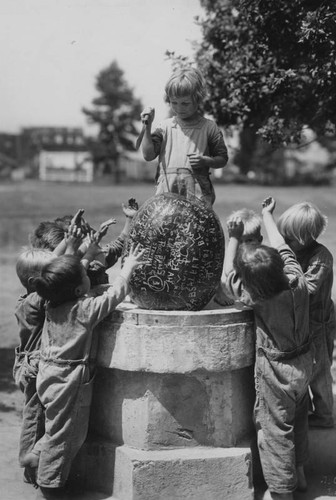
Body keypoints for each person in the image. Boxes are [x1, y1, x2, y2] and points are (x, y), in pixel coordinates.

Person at [22, 238, 147, 499]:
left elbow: (65, 278)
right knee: (68, 435)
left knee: (57, 426)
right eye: (84, 274)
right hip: (69, 381)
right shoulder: (85, 310)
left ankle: (35, 454)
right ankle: (50, 487)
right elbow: (115, 295)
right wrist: (129, 267)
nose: (87, 274)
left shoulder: (51, 302)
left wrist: (87, 256)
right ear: (79, 290)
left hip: (47, 374)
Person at [223, 197, 313, 500]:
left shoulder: (257, 299)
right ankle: (300, 476)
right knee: (299, 419)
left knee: (275, 432)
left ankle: (281, 492)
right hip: (304, 364)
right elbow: (284, 249)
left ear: (253, 286)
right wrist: (267, 216)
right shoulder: (297, 282)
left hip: (276, 371)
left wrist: (233, 238)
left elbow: (228, 279)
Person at [277, 201, 336, 428]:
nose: (284, 243)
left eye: (288, 239)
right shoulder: (292, 251)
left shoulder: (321, 257)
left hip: (318, 321)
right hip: (299, 320)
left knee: (319, 367)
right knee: (302, 364)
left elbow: (307, 289)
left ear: (304, 238)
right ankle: (307, 407)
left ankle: (324, 415)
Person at [140, 67, 228, 207]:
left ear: (197, 99)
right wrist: (147, 126)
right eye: (174, 103)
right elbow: (148, 155)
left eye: (185, 103)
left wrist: (206, 160)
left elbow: (222, 159)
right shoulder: (164, 127)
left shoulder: (209, 127)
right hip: (166, 195)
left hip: (197, 196)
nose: (179, 108)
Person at [14, 248, 57, 486]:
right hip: (33, 366)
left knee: (37, 412)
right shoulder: (35, 301)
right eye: (49, 275)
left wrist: (71, 245)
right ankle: (28, 461)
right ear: (34, 282)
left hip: (29, 362)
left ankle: (31, 468)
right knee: (35, 415)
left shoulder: (30, 295)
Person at [214, 208, 263, 306]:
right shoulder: (233, 256)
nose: (244, 246)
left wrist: (234, 237)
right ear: (232, 244)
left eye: (249, 240)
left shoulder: (261, 258)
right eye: (239, 242)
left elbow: (230, 272)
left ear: (260, 240)